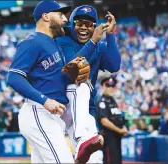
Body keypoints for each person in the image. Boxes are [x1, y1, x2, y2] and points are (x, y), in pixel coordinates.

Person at [7, 1, 75, 163]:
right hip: (39, 111)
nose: (65, 19)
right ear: (45, 16)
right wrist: (44, 100)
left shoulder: (53, 42)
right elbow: (14, 77)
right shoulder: (32, 42)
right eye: (60, 15)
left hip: (51, 115)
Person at [56, 5, 121, 163]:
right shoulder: (63, 40)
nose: (84, 28)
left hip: (84, 106)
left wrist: (110, 35)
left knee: (93, 157)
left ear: (95, 26)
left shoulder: (98, 46)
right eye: (80, 23)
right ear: (72, 23)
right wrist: (93, 41)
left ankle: (82, 142)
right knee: (54, 155)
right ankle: (81, 139)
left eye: (89, 24)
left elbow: (114, 66)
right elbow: (73, 69)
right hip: (61, 104)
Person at [96, 77, 128, 164]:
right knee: (110, 160)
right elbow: (104, 121)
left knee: (117, 160)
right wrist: (120, 130)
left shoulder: (113, 101)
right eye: (108, 85)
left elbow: (118, 118)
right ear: (103, 86)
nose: (110, 88)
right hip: (108, 137)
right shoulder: (101, 101)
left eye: (112, 86)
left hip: (117, 137)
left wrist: (123, 128)